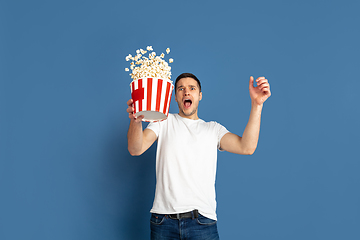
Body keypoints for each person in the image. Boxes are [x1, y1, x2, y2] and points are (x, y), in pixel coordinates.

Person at [126, 73, 271, 240]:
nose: (186, 92)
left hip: (202, 223)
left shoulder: (213, 129)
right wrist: (135, 121)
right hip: (163, 222)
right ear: (175, 97)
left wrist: (257, 104)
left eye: (192, 88)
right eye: (181, 89)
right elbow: (135, 149)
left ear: (200, 95)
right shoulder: (163, 122)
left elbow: (247, 147)